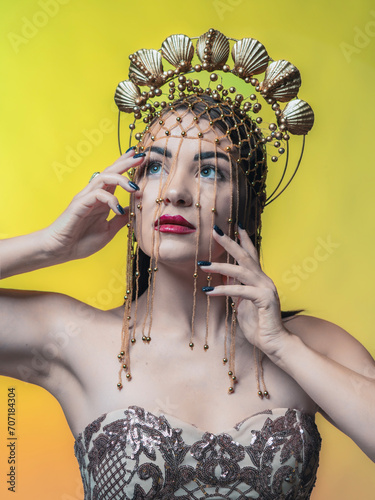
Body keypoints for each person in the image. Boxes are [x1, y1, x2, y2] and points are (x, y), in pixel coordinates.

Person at [1, 30, 375, 499]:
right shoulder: (71, 338)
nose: (175, 190)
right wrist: (48, 246)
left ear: (246, 207)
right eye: (154, 166)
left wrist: (282, 348)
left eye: (209, 170)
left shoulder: (314, 345)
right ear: (134, 199)